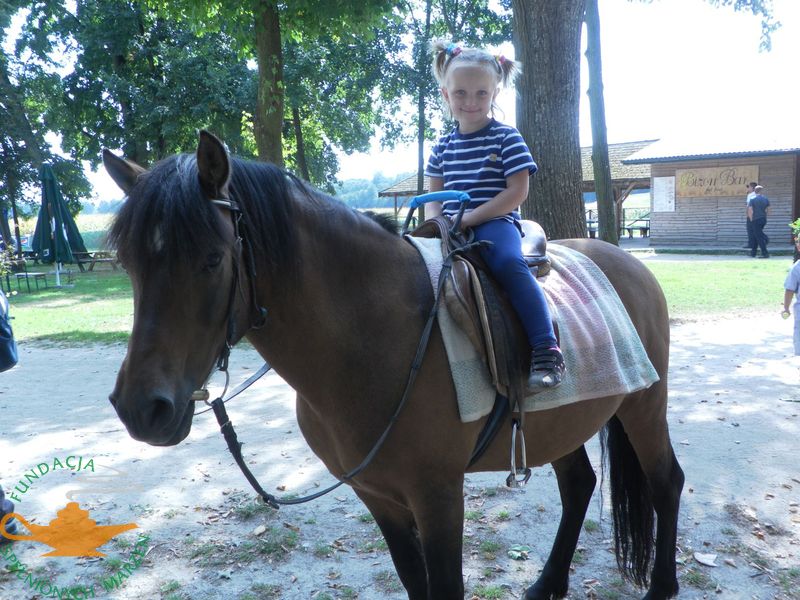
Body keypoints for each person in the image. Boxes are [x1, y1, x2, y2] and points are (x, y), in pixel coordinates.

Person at [424, 41, 564, 390]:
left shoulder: (506, 138)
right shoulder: (441, 147)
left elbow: (517, 192)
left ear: (495, 92)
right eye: (460, 93)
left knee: (506, 263)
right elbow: (432, 198)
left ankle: (546, 348)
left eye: (480, 93)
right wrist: (434, 225)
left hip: (495, 221)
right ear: (445, 93)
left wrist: (470, 218)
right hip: (450, 227)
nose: (470, 102)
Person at [783, 237, 800, 356]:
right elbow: (789, 290)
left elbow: (789, 290)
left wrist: (786, 308)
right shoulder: (796, 268)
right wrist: (786, 308)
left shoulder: (796, 267)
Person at [747, 185, 770, 258]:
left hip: (755, 219)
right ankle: (753, 253)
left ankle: (765, 253)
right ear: (761, 191)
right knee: (756, 235)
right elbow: (768, 210)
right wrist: (765, 217)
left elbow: (750, 210)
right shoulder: (765, 199)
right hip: (763, 219)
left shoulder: (752, 199)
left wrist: (751, 219)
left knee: (759, 236)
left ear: (755, 191)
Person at [743, 182, 757, 249]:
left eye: (749, 187)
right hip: (757, 215)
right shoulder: (757, 195)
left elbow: (748, 206)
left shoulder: (750, 195)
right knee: (755, 230)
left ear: (752, 188)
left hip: (751, 214)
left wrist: (747, 214)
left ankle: (751, 244)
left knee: (750, 229)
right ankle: (755, 243)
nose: (748, 188)